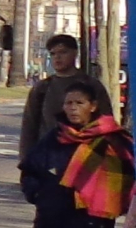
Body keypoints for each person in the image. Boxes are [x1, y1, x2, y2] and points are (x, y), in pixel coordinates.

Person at [18, 82, 135, 228]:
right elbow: (30, 169)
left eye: (80, 103)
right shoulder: (55, 137)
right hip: (51, 217)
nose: (73, 108)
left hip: (94, 219)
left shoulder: (113, 139)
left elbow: (129, 176)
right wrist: (38, 195)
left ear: (93, 106)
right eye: (69, 103)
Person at [19, 34, 113, 159]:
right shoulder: (42, 88)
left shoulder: (91, 85)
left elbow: (106, 123)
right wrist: (26, 161)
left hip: (84, 159)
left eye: (63, 52)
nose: (57, 57)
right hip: (49, 158)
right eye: (53, 54)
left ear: (74, 54)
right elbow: (29, 127)